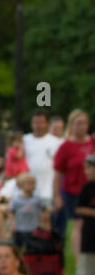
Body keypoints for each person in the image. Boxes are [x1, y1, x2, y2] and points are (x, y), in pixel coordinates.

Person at [52, 109, 93, 261]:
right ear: (71, 125)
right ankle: (79, 260)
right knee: (79, 224)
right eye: (78, 123)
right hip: (73, 191)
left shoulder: (92, 143)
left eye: (84, 123)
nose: (82, 127)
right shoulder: (65, 147)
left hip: (92, 191)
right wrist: (57, 196)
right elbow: (57, 174)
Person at [23, 111, 60, 208]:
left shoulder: (55, 142)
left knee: (46, 220)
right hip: (27, 191)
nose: (38, 126)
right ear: (31, 124)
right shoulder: (24, 140)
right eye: (35, 122)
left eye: (41, 122)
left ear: (47, 124)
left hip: (48, 191)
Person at [74, 154, 95, 275]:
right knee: (90, 269)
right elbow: (78, 208)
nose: (86, 172)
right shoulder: (87, 187)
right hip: (90, 234)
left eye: (89, 168)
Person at [8, 173, 43, 247]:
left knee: (33, 246)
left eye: (33, 183)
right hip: (19, 229)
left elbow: (44, 211)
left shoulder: (37, 199)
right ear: (20, 186)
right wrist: (12, 225)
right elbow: (11, 212)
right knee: (17, 247)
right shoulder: (16, 200)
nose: (32, 186)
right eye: (29, 183)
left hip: (34, 228)